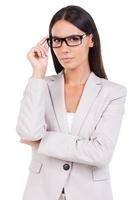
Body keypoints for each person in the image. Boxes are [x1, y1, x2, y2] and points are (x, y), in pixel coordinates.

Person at [16, 5, 127, 200]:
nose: (64, 48)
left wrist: (42, 141)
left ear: (90, 40)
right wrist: (38, 72)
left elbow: (100, 154)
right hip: (40, 193)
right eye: (57, 41)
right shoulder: (41, 85)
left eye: (74, 39)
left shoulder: (113, 93)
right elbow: (27, 132)